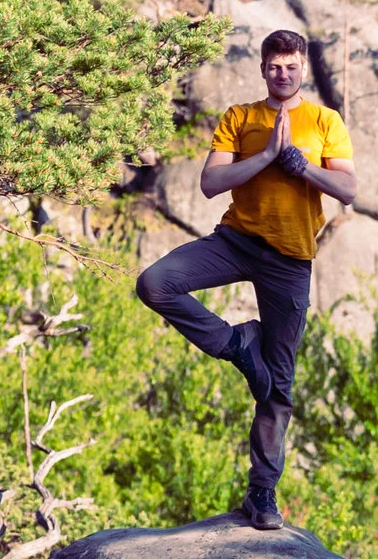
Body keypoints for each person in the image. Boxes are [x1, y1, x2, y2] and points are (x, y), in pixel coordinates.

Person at [135, 29, 356, 529]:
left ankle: (261, 495)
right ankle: (237, 344)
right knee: (154, 283)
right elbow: (211, 183)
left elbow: (349, 189)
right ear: (262, 69)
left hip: (291, 260)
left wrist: (303, 168)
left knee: (278, 385)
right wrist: (263, 159)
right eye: (274, 66)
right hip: (235, 242)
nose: (283, 74)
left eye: (291, 67)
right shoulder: (241, 117)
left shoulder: (325, 121)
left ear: (302, 68)